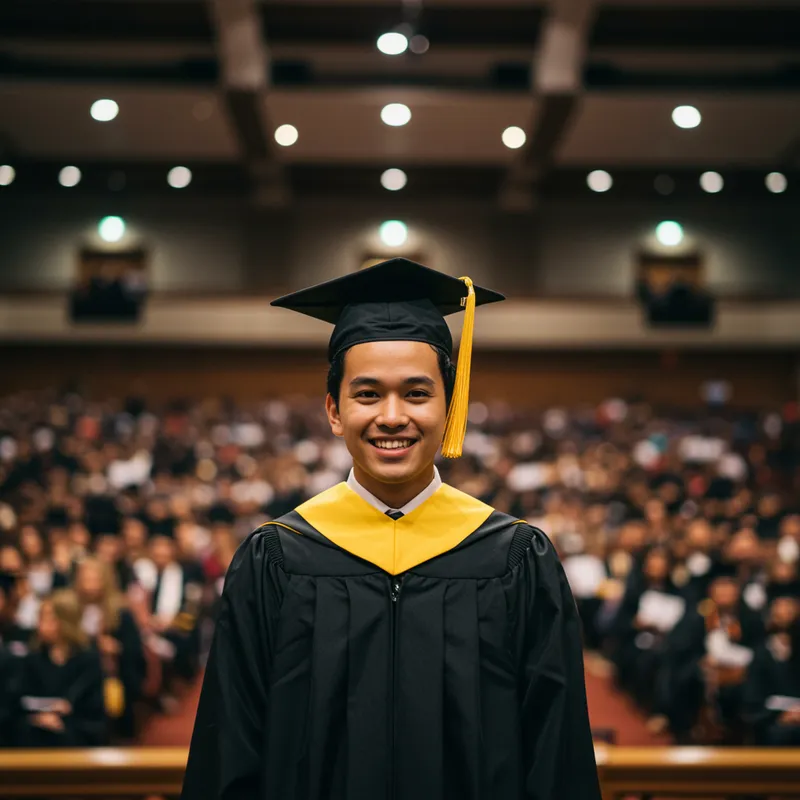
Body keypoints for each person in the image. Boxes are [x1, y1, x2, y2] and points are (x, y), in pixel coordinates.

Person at [182, 258, 601, 800]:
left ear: (451, 406)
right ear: (334, 410)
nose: (392, 415)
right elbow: (231, 746)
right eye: (367, 394)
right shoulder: (277, 559)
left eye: (417, 393)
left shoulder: (515, 560)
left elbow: (556, 753)